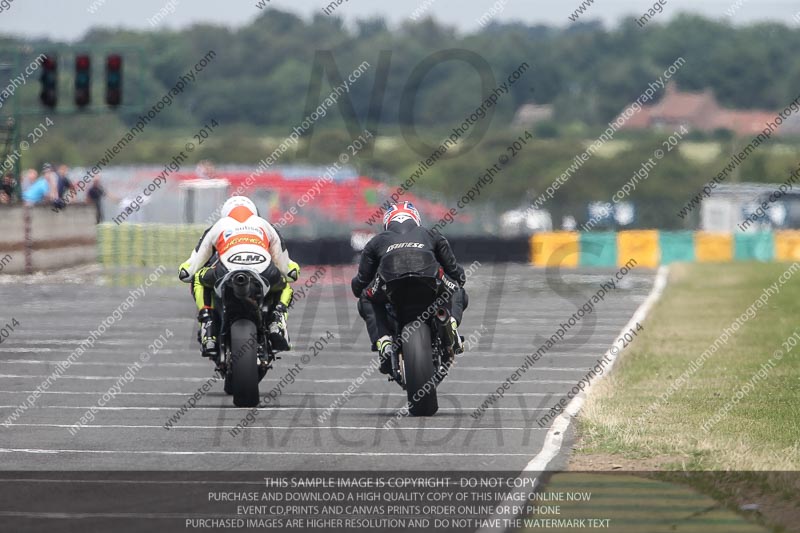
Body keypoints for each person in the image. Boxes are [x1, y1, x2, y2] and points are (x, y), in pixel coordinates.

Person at [351, 201, 469, 374]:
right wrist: (454, 276)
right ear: (416, 219)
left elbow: (359, 285)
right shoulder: (431, 234)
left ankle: (383, 341)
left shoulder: (375, 242)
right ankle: (451, 323)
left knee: (365, 298)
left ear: (387, 222)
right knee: (456, 288)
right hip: (430, 276)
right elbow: (458, 275)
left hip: (390, 281)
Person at [178, 196, 300, 358]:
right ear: (255, 212)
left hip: (226, 269)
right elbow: (288, 270)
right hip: (263, 270)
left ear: (225, 214)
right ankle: (277, 318)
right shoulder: (266, 226)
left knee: (199, 278)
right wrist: (293, 271)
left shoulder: (217, 226)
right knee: (284, 285)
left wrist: (184, 270)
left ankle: (208, 322)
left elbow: (189, 270)